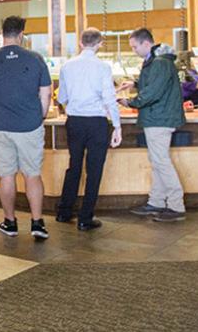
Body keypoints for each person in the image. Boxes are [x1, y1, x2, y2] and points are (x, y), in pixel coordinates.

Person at [0, 15, 52, 240]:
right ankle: (37, 223)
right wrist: (40, 116)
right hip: (29, 126)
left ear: (2, 34)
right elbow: (45, 93)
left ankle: (10, 222)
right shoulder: (35, 59)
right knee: (32, 175)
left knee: (6, 176)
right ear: (21, 35)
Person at [56, 29, 122, 231]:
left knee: (74, 166)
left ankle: (64, 212)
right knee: (94, 170)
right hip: (97, 123)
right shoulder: (103, 67)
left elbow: (61, 98)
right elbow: (110, 99)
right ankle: (85, 218)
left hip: (74, 121)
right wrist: (117, 126)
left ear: (80, 43)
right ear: (99, 44)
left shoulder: (67, 66)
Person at [118, 28, 186, 222]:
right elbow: (154, 84)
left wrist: (131, 102)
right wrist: (135, 83)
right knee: (158, 162)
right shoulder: (158, 61)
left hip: (159, 118)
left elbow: (153, 92)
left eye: (134, 46)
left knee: (161, 162)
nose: (133, 50)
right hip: (158, 117)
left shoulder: (159, 63)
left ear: (146, 43)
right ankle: (156, 201)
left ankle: (176, 205)